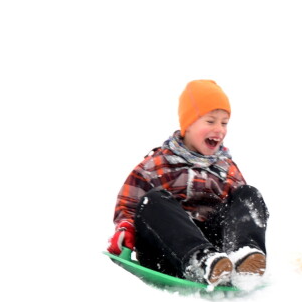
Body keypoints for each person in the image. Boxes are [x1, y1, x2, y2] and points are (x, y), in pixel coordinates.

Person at [107, 79, 269, 287]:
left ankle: (244, 257)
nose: (219, 129)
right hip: (165, 250)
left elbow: (238, 215)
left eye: (224, 122)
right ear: (187, 125)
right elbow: (128, 205)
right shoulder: (157, 164)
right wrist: (125, 229)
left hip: (219, 256)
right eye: (210, 121)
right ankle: (200, 260)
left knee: (248, 194)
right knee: (153, 201)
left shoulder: (227, 169)